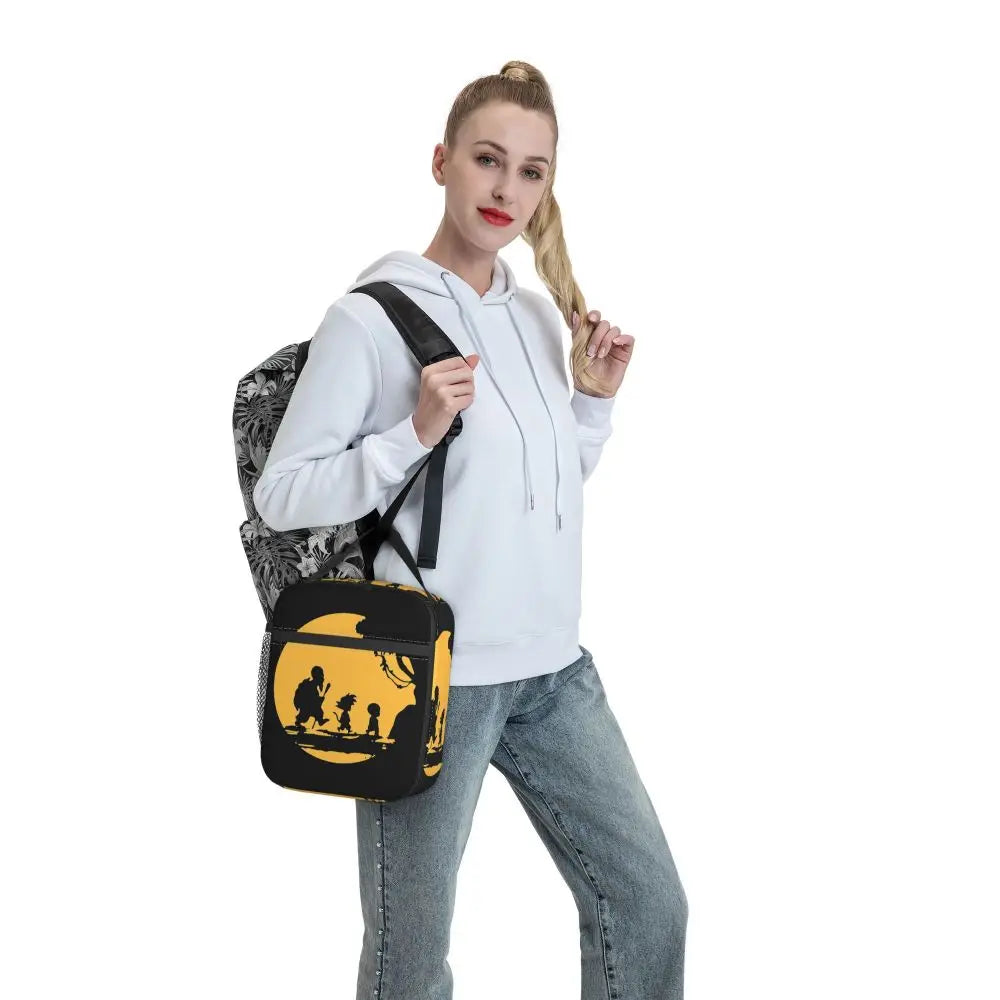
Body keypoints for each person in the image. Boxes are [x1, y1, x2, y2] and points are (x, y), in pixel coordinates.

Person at [253, 59, 687, 1000]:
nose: (506, 189)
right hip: (427, 680)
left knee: (649, 902)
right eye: (488, 160)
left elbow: (541, 491)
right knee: (410, 960)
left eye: (532, 171)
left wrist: (593, 404)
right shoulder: (369, 319)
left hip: (555, 674)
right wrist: (411, 433)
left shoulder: (533, 317)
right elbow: (281, 494)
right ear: (442, 162)